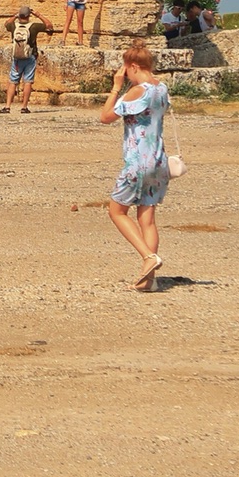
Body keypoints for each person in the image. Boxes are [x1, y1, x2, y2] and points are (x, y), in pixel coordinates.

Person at [98, 40, 171, 292]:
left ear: (133, 66)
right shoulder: (161, 88)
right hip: (159, 160)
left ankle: (148, 257)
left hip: (138, 161)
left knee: (117, 211)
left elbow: (105, 117)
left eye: (125, 69)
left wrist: (116, 88)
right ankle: (148, 282)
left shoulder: (137, 91)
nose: (124, 73)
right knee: (147, 218)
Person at [1, 5, 50, 113]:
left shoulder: (14, 25)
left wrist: (15, 16)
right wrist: (38, 15)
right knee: (28, 82)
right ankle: (24, 107)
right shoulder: (34, 26)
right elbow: (49, 25)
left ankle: (8, 106)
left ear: (20, 15)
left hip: (17, 58)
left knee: (13, 81)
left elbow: (6, 24)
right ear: (29, 15)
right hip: (30, 56)